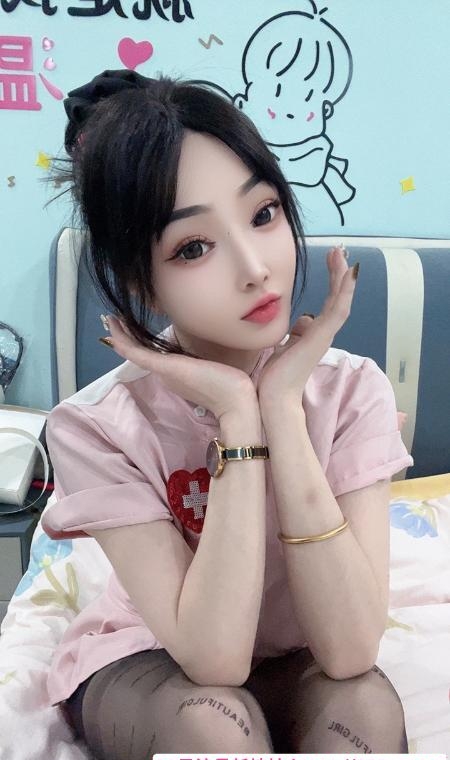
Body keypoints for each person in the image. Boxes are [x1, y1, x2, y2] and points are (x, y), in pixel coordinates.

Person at [42, 68, 413, 758]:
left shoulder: (351, 390)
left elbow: (350, 649)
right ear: (140, 283)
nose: (255, 268)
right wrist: (238, 416)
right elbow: (213, 659)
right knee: (213, 719)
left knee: (362, 710)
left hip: (305, 656)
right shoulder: (96, 426)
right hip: (157, 660)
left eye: (263, 214)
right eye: (194, 247)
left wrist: (280, 408)